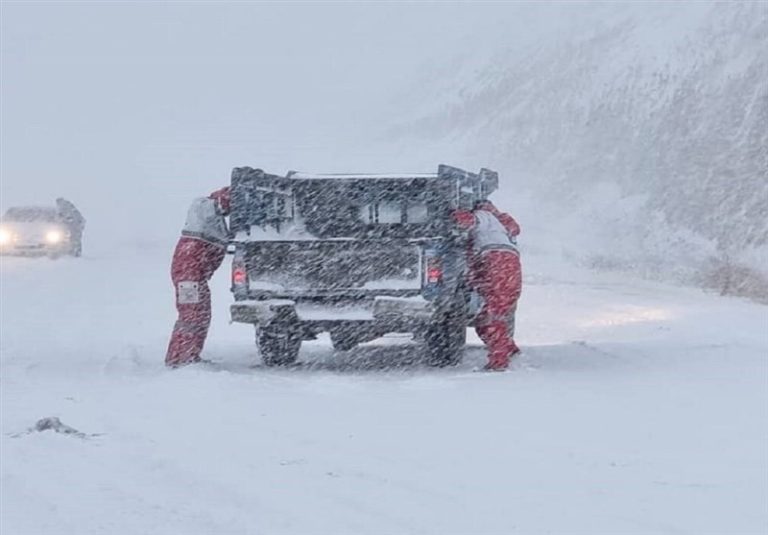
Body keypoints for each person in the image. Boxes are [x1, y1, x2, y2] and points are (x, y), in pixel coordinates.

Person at [165, 187, 231, 368]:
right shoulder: (204, 210)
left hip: (193, 276)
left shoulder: (207, 219)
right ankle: (182, 358)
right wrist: (237, 195)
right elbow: (220, 205)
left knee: (197, 314)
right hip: (190, 277)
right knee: (193, 315)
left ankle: (184, 355)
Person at [453, 200, 522, 371]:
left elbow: (465, 221)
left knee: (491, 315)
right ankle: (507, 347)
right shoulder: (501, 219)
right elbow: (515, 229)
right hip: (512, 264)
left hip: (495, 261)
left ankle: (499, 360)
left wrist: (453, 212)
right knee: (502, 309)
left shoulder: (483, 216)